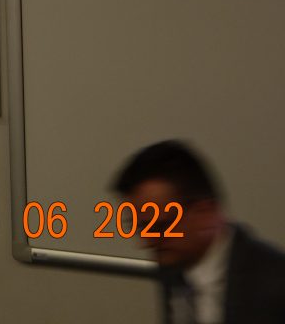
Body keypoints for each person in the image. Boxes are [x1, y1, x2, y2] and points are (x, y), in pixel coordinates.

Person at [113, 139, 285, 324]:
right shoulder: (174, 264)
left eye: (160, 227)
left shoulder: (273, 284)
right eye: (140, 228)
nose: (147, 242)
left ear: (205, 213)